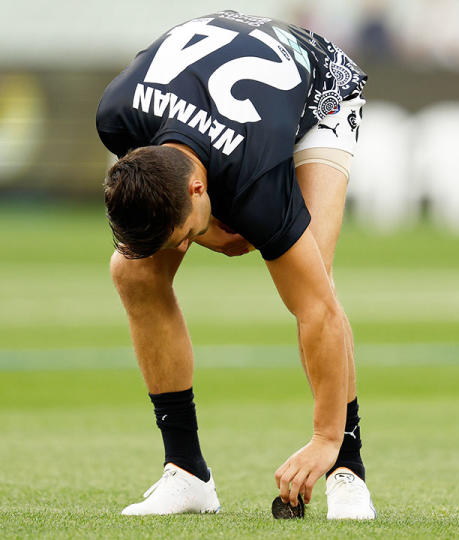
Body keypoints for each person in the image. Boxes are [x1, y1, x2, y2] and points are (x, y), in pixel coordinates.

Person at [96, 10, 374, 519]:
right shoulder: (117, 113)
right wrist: (203, 233)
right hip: (223, 92)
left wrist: (323, 436)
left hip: (319, 89)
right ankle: (186, 472)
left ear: (199, 189)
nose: (187, 244)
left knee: (315, 279)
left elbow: (320, 313)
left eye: (185, 235)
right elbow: (152, 185)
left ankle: (346, 464)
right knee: (133, 270)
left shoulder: (256, 186)